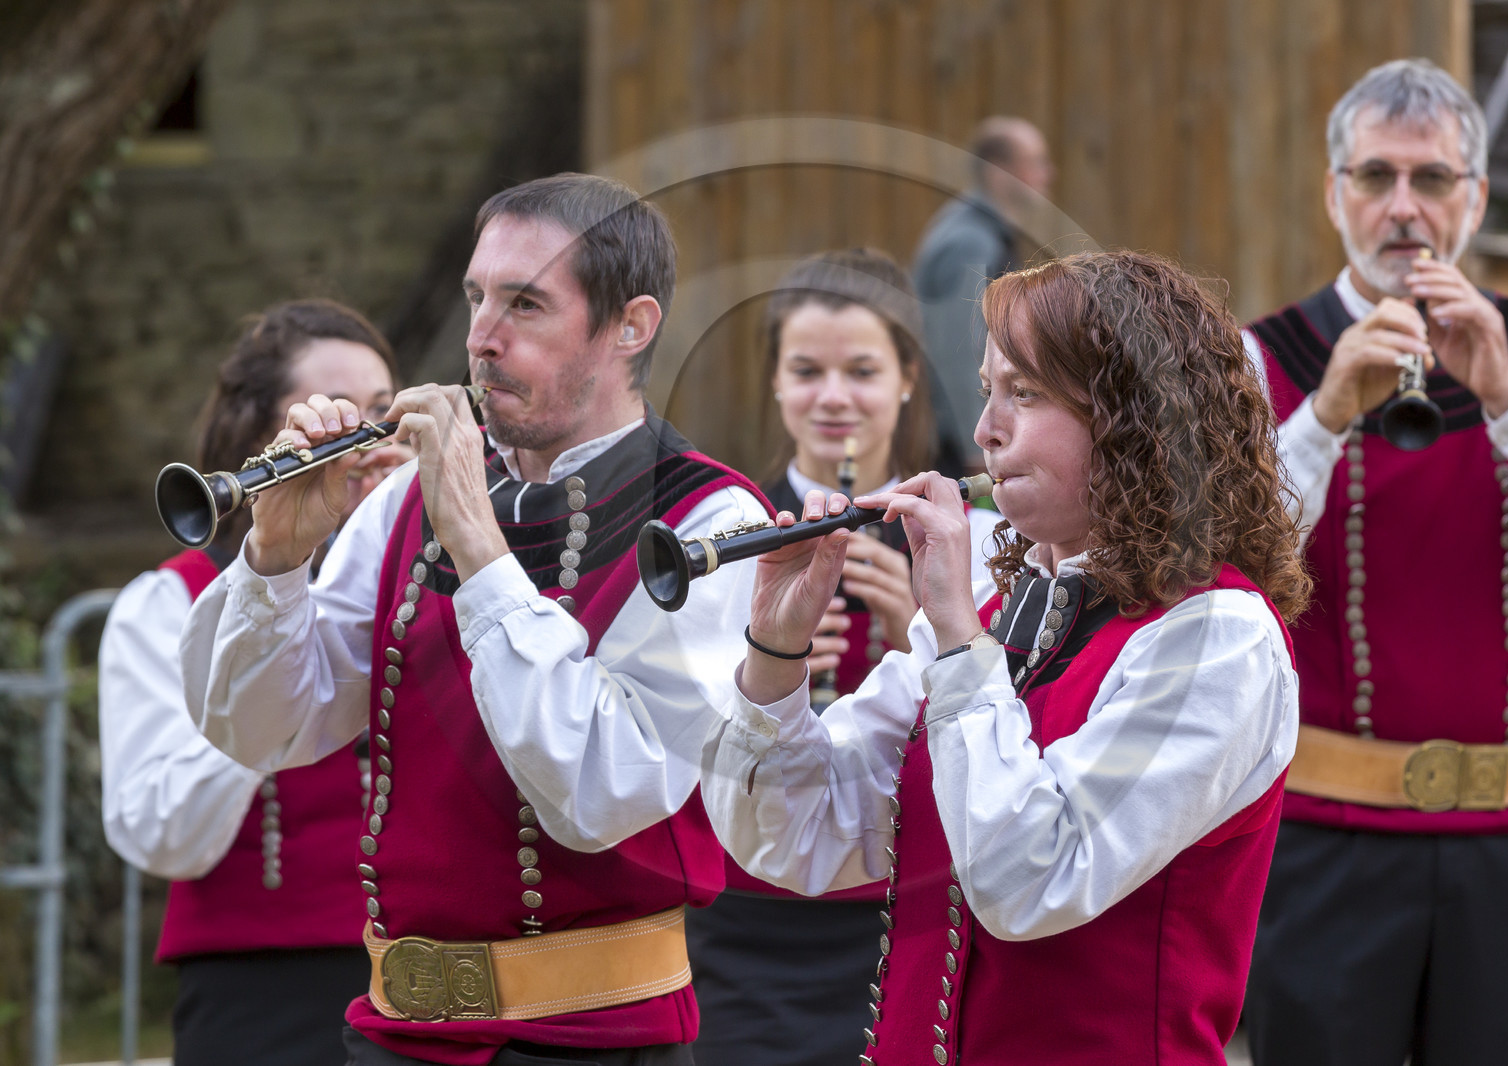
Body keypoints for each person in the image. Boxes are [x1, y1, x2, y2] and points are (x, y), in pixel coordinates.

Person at [179, 173, 771, 1066]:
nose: (481, 339)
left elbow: (605, 792)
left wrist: (480, 547)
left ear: (631, 327)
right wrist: (276, 560)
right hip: (395, 1033)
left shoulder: (712, 524)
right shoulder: (398, 503)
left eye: (525, 305)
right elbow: (262, 731)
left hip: (596, 1041)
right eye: (476, 297)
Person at [702, 250, 1308, 1065]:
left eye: (1025, 393)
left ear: (1133, 416)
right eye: (989, 390)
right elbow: (798, 836)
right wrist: (776, 651)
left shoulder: (1215, 636)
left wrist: (953, 631)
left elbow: (1033, 882)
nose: (986, 429)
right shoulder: (995, 617)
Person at [1241, 58, 1508, 1066]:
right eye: (1375, 177)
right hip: (1320, 841)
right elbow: (1214, 566)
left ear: (1473, 198)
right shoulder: (1255, 362)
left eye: (1432, 179)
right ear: (1333, 194)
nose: (1403, 207)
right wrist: (1318, 418)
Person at [685, 249, 1001, 1066]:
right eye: (806, 371)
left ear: (905, 377)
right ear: (777, 386)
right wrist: (769, 660)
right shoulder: (724, 532)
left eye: (861, 370)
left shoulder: (973, 538)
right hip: (748, 916)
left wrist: (913, 633)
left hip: (909, 904)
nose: (833, 398)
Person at [99, 299, 404, 1065]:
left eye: (379, 414)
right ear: (263, 434)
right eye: (336, 416)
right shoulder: (165, 601)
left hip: (424, 983)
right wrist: (262, 662)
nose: (365, 441)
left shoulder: (428, 578)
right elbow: (157, 832)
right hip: (259, 997)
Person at [912, 116, 1054, 476]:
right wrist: (972, 446)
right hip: (955, 443)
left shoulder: (982, 231)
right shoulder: (967, 241)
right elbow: (957, 351)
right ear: (999, 173)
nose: (1047, 174)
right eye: (1035, 163)